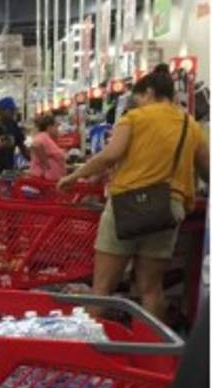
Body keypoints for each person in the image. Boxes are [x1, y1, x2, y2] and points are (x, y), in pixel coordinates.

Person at [57, 64, 209, 319]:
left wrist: (73, 176)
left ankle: (94, 353)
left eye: (137, 98)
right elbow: (207, 169)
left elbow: (111, 155)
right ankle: (149, 354)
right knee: (151, 288)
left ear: (148, 92)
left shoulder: (133, 118)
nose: (136, 104)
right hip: (168, 209)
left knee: (102, 288)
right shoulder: (189, 124)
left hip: (127, 206)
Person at [28, 113, 67, 182]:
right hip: (43, 180)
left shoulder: (48, 138)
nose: (57, 129)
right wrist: (46, 164)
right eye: (56, 127)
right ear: (49, 127)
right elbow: (35, 145)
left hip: (50, 181)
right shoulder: (43, 136)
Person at [0, 97, 29, 173]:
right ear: (1, 110)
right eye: (11, 110)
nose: (13, 113)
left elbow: (22, 146)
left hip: (9, 169)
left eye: (14, 110)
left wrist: (33, 160)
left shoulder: (13, 125)